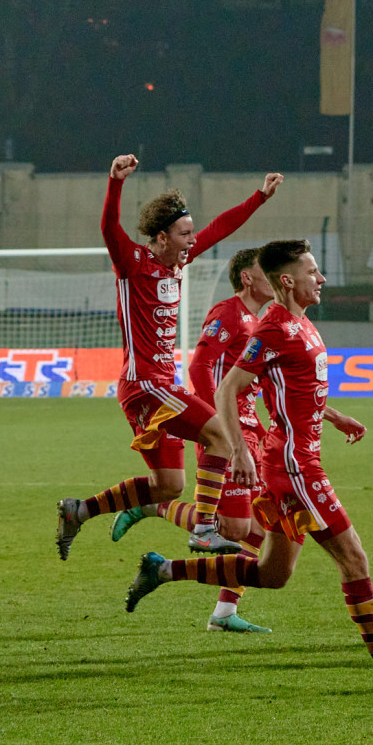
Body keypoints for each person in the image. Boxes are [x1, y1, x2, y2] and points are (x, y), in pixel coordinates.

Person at [124, 239, 373, 692]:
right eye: (313, 271)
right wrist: (237, 449)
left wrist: (331, 415)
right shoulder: (274, 327)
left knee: (273, 574)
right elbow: (225, 389)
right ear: (288, 280)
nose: (322, 278)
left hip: (293, 461)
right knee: (354, 561)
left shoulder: (302, 324)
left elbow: (289, 388)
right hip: (295, 469)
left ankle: (162, 569)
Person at [55, 154, 280, 561]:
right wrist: (115, 182)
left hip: (161, 387)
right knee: (222, 437)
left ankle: (80, 510)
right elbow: (108, 227)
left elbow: (220, 228)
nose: (193, 240)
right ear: (160, 237)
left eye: (191, 233)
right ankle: (205, 529)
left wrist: (259, 198)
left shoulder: (178, 263)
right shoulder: (132, 264)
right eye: (184, 234)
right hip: (146, 385)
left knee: (169, 485)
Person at [110, 247, 274, 633]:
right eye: (264, 270)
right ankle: (153, 507)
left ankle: (223, 614)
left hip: (250, 431)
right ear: (247, 277)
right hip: (227, 433)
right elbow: (200, 365)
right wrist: (217, 424)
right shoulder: (229, 313)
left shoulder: (260, 320)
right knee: (235, 529)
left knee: (260, 527)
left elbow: (257, 381)